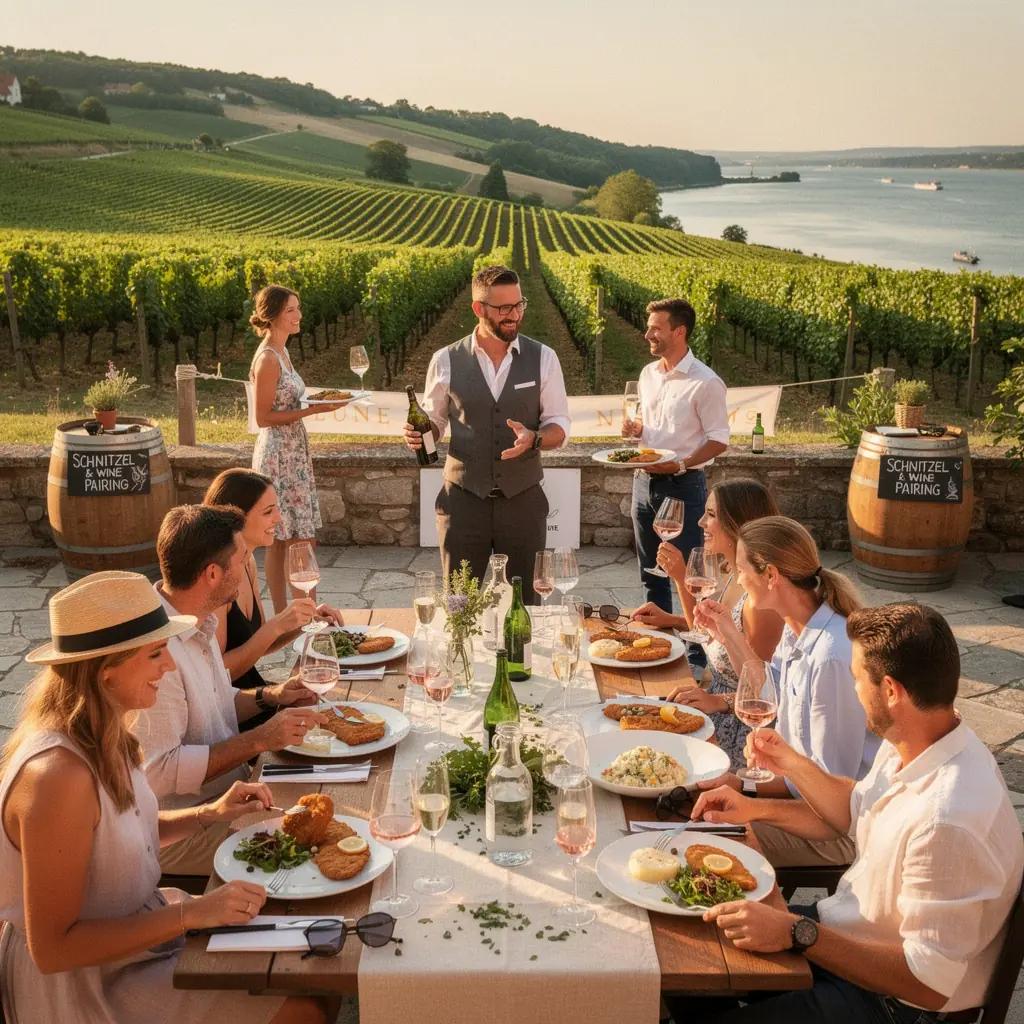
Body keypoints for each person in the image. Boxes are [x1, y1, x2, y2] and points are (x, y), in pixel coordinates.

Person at [0, 570, 335, 1024]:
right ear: (106, 672)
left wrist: (210, 813)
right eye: (157, 653)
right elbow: (54, 949)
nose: (170, 666)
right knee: (304, 1007)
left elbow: (122, 836)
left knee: (317, 961)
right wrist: (192, 914)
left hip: (141, 935)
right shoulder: (56, 777)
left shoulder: (105, 729)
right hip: (89, 983)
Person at [682, 603, 1024, 1023]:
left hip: (892, 1003)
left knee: (698, 978)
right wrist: (766, 792)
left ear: (892, 691)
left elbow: (929, 984)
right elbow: (855, 811)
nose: (853, 688)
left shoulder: (948, 819)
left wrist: (794, 932)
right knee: (688, 940)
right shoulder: (921, 737)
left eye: (857, 678)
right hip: (847, 933)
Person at [132, 505, 325, 876]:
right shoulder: (158, 654)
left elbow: (216, 708)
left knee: (326, 807)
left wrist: (272, 696)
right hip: (184, 828)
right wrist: (258, 741)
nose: (248, 568)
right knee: (314, 848)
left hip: (235, 793)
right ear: (212, 574)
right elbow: (158, 770)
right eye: (243, 558)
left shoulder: (198, 621)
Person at [692, 515, 878, 869]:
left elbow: (830, 791)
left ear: (771, 575)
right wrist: (726, 630)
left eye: (742, 569)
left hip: (843, 830)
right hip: (808, 798)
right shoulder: (797, 631)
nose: (739, 578)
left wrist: (749, 792)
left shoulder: (830, 656)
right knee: (691, 803)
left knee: (705, 836)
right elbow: (768, 692)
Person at [403, 265, 570, 600]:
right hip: (462, 502)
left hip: (523, 502)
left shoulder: (544, 359)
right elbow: (435, 422)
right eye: (503, 308)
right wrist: (419, 434)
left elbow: (559, 426)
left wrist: (534, 438)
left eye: (519, 305)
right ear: (478, 309)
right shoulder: (445, 360)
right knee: (459, 605)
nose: (514, 316)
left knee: (526, 607)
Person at [633, 479, 784, 770]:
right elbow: (708, 634)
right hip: (712, 709)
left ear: (737, 525)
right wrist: (674, 619)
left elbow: (765, 692)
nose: (701, 521)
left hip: (737, 735)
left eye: (711, 514)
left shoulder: (758, 599)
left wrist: (716, 701)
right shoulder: (732, 573)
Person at [202, 469, 344, 731]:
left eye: (277, 509)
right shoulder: (218, 578)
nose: (279, 518)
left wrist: (305, 622)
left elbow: (261, 643)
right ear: (237, 519)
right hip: (234, 714)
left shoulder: (247, 565)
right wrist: (278, 625)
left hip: (259, 697)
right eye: (268, 512)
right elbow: (220, 673)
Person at [623, 298, 730, 621]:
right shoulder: (647, 374)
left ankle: (695, 653)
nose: (647, 335)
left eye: (655, 328)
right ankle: (659, 644)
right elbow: (654, 425)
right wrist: (637, 428)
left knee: (690, 577)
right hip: (643, 483)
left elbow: (719, 440)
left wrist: (681, 465)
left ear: (679, 331)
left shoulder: (706, 382)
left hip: (683, 485)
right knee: (650, 572)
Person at [249, 285, 348, 615]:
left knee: (284, 537)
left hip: (292, 452)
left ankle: (292, 615)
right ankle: (301, 615)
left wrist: (314, 406)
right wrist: (311, 411)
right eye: (292, 310)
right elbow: (263, 417)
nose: (299, 315)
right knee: (291, 537)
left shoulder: (282, 352)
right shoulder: (267, 359)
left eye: (298, 308)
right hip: (279, 456)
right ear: (275, 315)